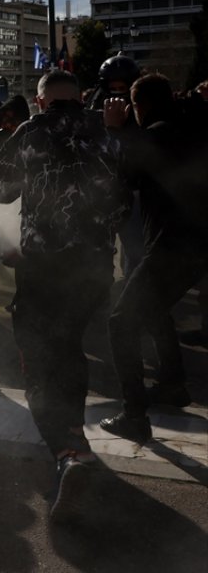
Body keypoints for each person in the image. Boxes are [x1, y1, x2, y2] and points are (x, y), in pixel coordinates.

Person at [0, 70, 129, 522]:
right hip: (93, 268)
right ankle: (73, 440)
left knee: (38, 354)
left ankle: (70, 451)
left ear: (41, 100)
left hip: (44, 268)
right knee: (70, 348)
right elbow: (124, 199)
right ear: (81, 96)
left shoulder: (30, 131)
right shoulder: (107, 133)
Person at [100, 74, 208, 443]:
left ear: (140, 105)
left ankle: (134, 415)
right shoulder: (188, 129)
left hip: (170, 247)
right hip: (195, 247)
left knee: (120, 323)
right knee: (152, 308)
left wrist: (115, 129)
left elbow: (124, 175)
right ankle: (173, 384)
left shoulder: (156, 135)